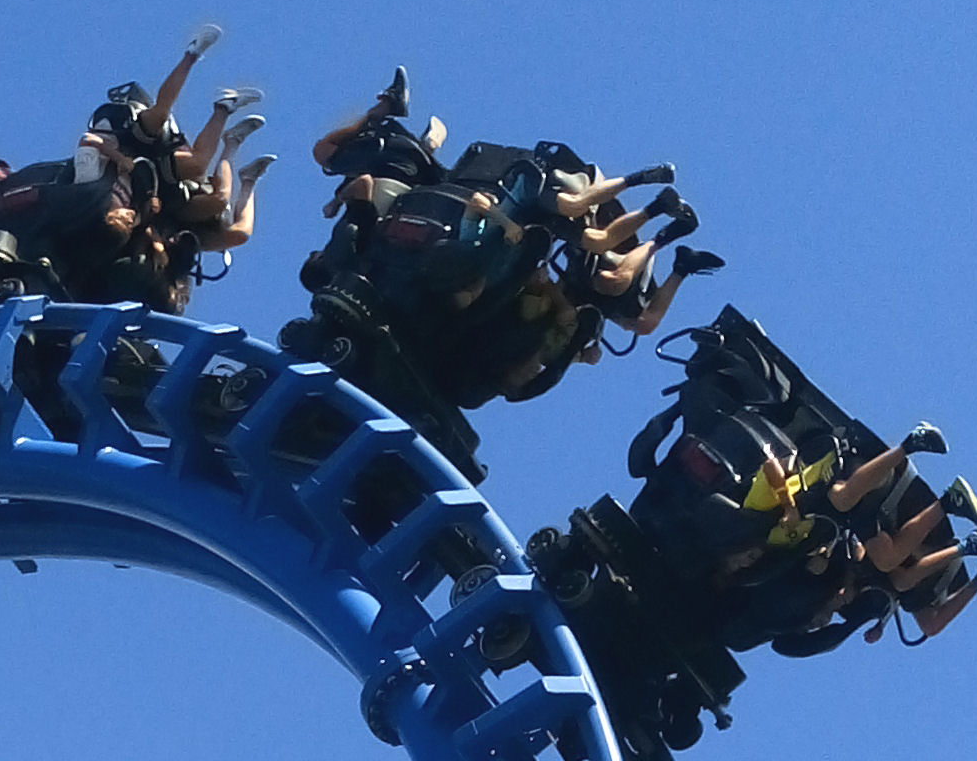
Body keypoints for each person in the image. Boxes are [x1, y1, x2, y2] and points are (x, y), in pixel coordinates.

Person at [528, 305, 977, 761]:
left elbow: (841, 598)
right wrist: (789, 517)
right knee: (850, 516)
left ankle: (962, 537)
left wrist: (843, 594)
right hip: (780, 505)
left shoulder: (802, 583)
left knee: (883, 566)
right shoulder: (800, 535)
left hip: (765, 540)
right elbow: (793, 497)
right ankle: (919, 458)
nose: (828, 614)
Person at [285, 73, 717, 473]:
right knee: (598, 280)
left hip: (484, 254)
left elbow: (579, 244)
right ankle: (665, 230)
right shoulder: (510, 218)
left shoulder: (511, 222)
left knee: (606, 285)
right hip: (469, 257)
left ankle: (664, 230)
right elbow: (579, 237)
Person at [0, 34, 265, 317]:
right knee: (214, 203)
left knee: (221, 207)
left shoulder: (139, 193)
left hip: (118, 193)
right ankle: (212, 96)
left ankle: (230, 138)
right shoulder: (125, 160)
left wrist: (128, 172)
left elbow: (99, 148)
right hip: (96, 201)